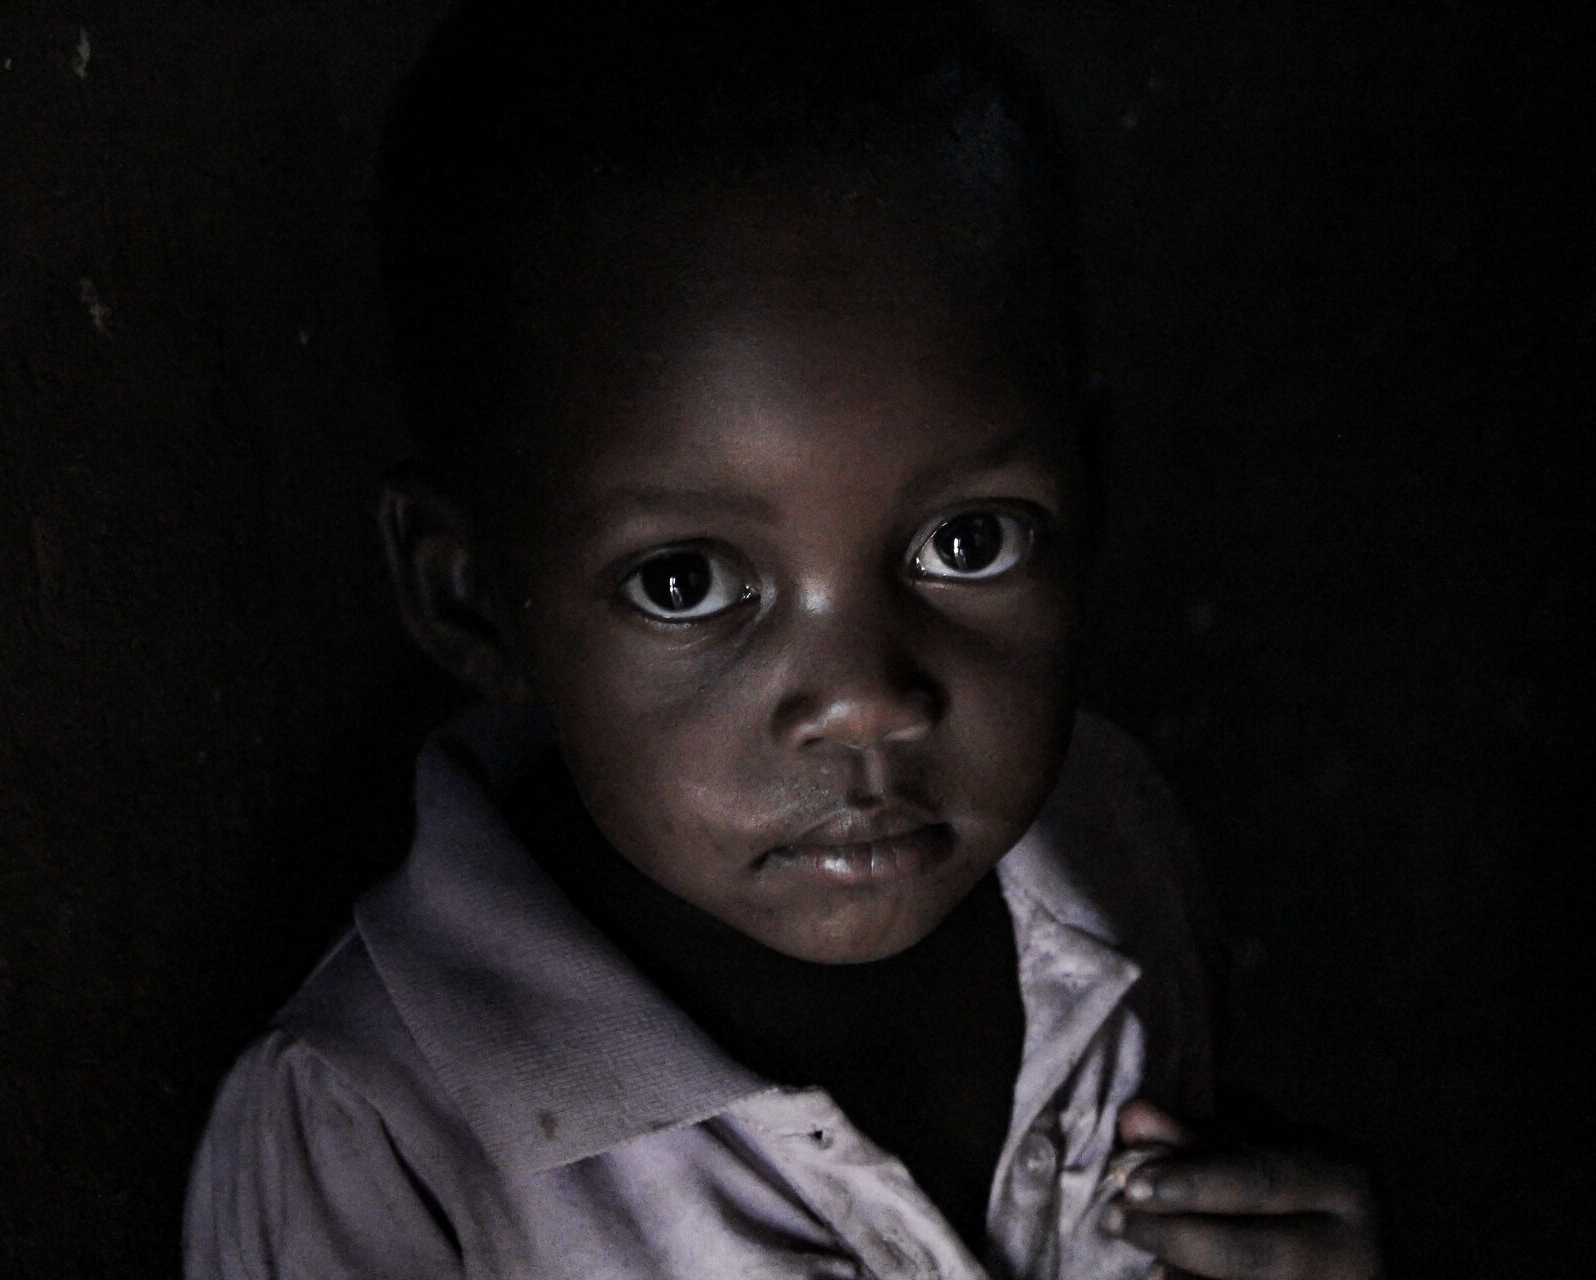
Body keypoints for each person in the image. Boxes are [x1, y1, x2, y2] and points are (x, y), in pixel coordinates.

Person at [185, 2, 1383, 1275]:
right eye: (686, 581)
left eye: (969, 541)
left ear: (1089, 498)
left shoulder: (1110, 853)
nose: (865, 700)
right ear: (470, 596)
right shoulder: (379, 1145)